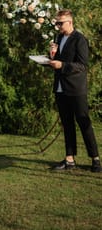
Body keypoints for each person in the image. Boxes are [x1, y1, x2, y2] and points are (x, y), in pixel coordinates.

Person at [49, 9, 101, 172]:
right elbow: (57, 60)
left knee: (84, 123)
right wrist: (51, 56)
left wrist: (62, 65)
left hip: (76, 89)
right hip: (60, 87)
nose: (58, 26)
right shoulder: (59, 37)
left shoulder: (80, 39)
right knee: (67, 124)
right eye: (56, 23)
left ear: (70, 22)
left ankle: (96, 159)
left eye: (60, 23)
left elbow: (83, 66)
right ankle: (69, 159)